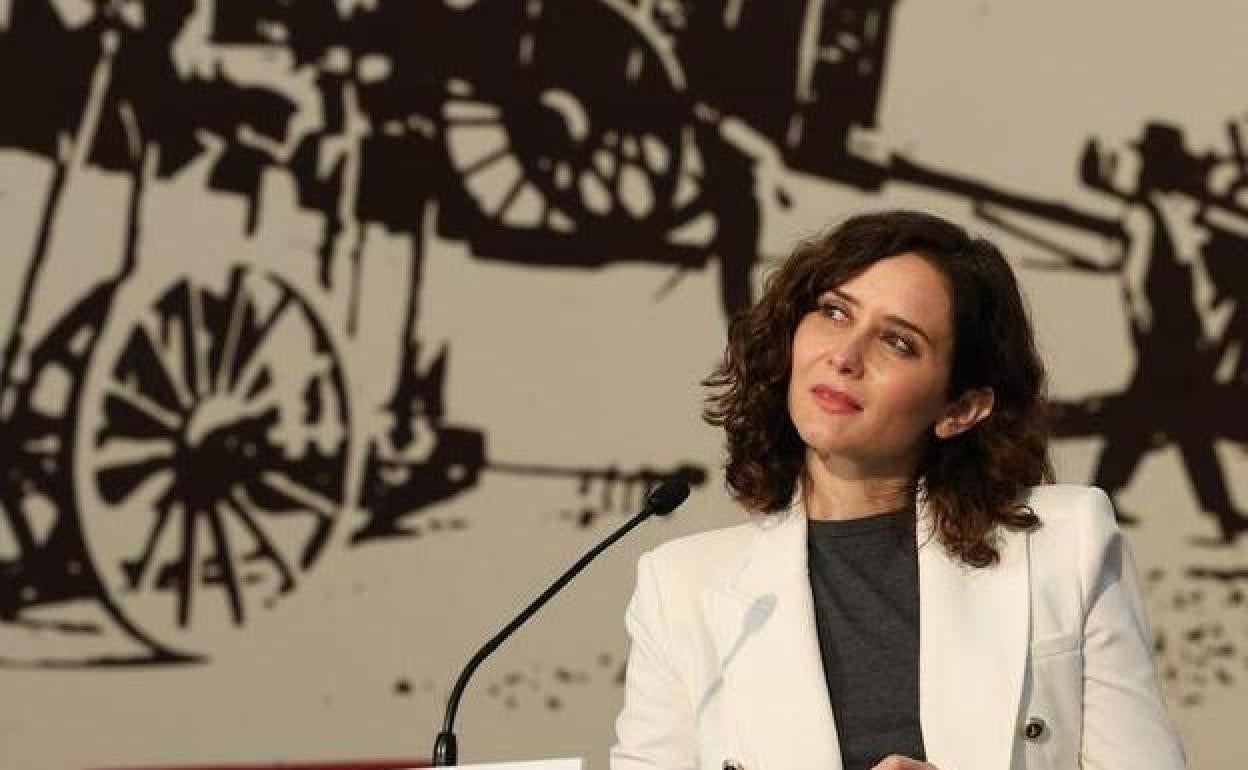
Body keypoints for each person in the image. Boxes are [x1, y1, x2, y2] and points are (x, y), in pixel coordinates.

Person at [610, 210, 1185, 770]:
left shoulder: (1066, 544)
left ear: (961, 408)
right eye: (834, 312)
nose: (844, 356)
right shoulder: (679, 588)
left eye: (898, 342)